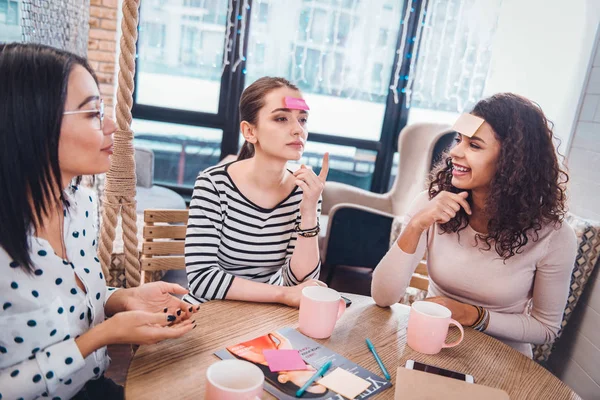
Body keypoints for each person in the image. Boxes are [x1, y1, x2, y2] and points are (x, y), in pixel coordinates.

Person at [0, 43, 198, 400]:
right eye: (93, 114)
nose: (111, 126)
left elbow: (67, 307)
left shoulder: (80, 206)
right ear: (30, 122)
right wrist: (103, 336)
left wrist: (124, 299)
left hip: (93, 387)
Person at [371, 93, 577, 357]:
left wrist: (473, 315)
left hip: (503, 358)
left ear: (513, 162)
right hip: (431, 342)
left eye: (474, 146)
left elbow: (546, 328)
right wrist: (416, 226)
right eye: (459, 140)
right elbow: (382, 296)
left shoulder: (554, 236)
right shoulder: (431, 204)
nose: (455, 152)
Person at [185, 77, 328, 306]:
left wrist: (309, 211)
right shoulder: (213, 184)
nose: (298, 130)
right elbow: (202, 279)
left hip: (266, 315)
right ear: (250, 131)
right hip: (206, 312)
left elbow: (300, 282)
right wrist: (282, 295)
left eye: (303, 120)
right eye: (281, 118)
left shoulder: (305, 191)